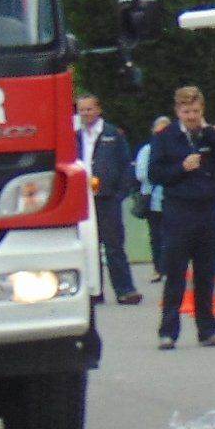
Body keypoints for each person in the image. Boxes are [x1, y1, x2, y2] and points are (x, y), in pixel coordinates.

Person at [146, 86, 215, 351]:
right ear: (177, 111)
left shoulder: (211, 135)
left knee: (206, 273)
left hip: (208, 209)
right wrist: (181, 168)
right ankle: (168, 332)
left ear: (202, 110)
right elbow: (154, 174)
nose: (191, 116)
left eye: (195, 111)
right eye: (186, 112)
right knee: (175, 273)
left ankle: (208, 330)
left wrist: (209, 132)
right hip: (179, 211)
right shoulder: (165, 138)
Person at [75, 94, 141, 304]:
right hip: (83, 200)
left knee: (114, 246)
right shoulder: (75, 136)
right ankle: (94, 292)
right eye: (82, 110)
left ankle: (125, 290)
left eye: (89, 109)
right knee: (89, 246)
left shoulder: (112, 135)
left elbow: (125, 165)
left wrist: (120, 193)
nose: (86, 113)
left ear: (99, 109)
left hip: (107, 198)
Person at [134, 116, 170, 282]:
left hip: (173, 199)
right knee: (156, 236)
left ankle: (172, 268)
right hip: (153, 200)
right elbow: (141, 174)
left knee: (174, 235)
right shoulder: (146, 150)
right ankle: (158, 268)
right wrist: (165, 175)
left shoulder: (176, 149)